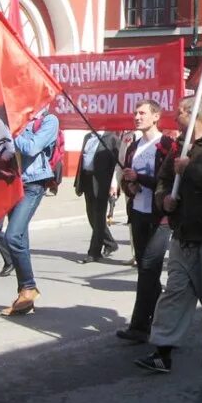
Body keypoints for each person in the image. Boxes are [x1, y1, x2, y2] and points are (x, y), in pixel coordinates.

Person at [135, 97, 202, 374]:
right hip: (183, 233)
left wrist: (191, 169)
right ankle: (162, 351)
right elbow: (165, 179)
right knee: (175, 292)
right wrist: (163, 198)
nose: (176, 114)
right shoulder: (180, 145)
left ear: (197, 114)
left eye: (181, 110)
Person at [116, 100, 177, 342]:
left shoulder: (166, 146)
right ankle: (163, 319)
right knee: (145, 269)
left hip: (159, 217)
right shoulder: (134, 146)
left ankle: (141, 326)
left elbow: (168, 184)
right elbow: (128, 182)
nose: (137, 117)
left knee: (149, 269)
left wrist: (139, 177)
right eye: (135, 113)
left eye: (142, 113)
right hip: (138, 214)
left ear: (156, 116)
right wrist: (130, 185)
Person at [0, 108, 60, 316]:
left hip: (33, 183)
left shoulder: (48, 120)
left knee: (12, 236)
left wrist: (11, 134)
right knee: (21, 238)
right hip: (12, 182)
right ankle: (24, 297)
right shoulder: (16, 117)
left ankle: (29, 286)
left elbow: (33, 148)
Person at [74, 128, 120, 263]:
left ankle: (94, 252)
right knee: (91, 216)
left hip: (102, 183)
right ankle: (110, 243)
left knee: (99, 216)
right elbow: (83, 159)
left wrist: (114, 184)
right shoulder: (88, 137)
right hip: (87, 179)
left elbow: (116, 163)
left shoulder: (112, 138)